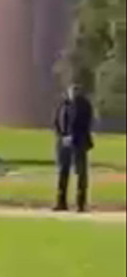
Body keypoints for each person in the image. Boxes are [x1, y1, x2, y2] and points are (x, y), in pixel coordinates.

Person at [54, 84, 95, 212]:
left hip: (79, 142)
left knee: (81, 173)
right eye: (71, 90)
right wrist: (62, 136)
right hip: (63, 143)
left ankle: (81, 203)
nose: (73, 93)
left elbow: (85, 123)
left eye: (76, 90)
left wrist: (73, 136)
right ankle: (61, 202)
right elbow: (57, 121)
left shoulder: (84, 105)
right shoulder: (63, 104)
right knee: (62, 172)